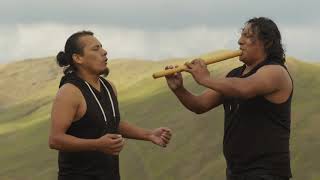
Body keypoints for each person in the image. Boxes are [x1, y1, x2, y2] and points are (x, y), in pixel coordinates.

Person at [165, 17, 292, 180]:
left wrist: (205, 79)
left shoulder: (275, 72)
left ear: (266, 43)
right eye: (241, 35)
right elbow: (200, 105)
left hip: (267, 172)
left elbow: (244, 89)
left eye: (247, 36)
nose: (240, 41)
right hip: (236, 171)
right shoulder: (234, 75)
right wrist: (179, 89)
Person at [49, 31, 172, 180]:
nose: (104, 52)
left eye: (102, 47)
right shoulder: (69, 92)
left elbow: (111, 123)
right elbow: (55, 140)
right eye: (95, 49)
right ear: (78, 58)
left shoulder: (109, 87)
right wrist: (97, 144)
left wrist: (148, 134)